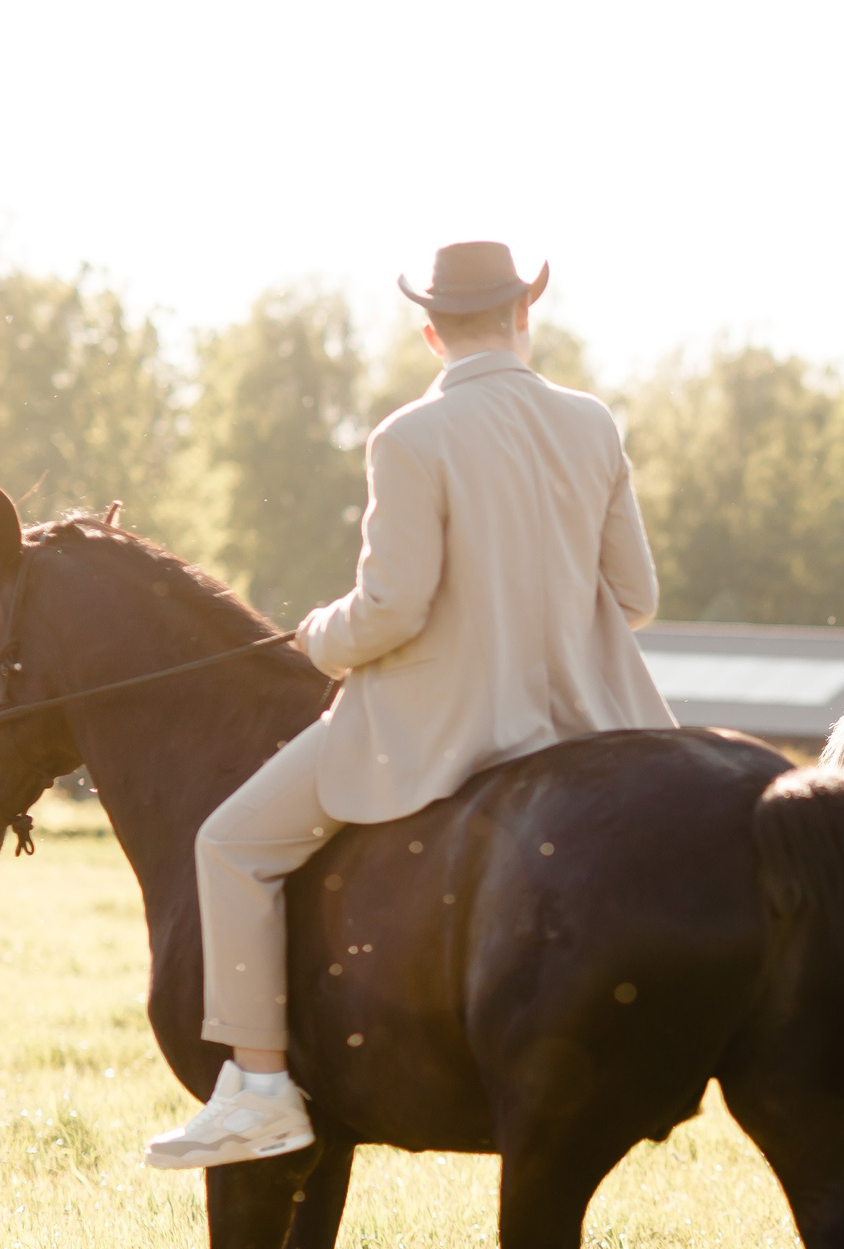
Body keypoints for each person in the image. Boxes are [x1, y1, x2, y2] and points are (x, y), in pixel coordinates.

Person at [145, 242, 676, 1169]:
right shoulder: (593, 424)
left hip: (444, 728)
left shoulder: (408, 437)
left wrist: (316, 636)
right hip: (593, 732)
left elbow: (393, 608)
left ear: (430, 333)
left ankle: (261, 1087)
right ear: (524, 315)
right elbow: (634, 597)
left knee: (226, 844)